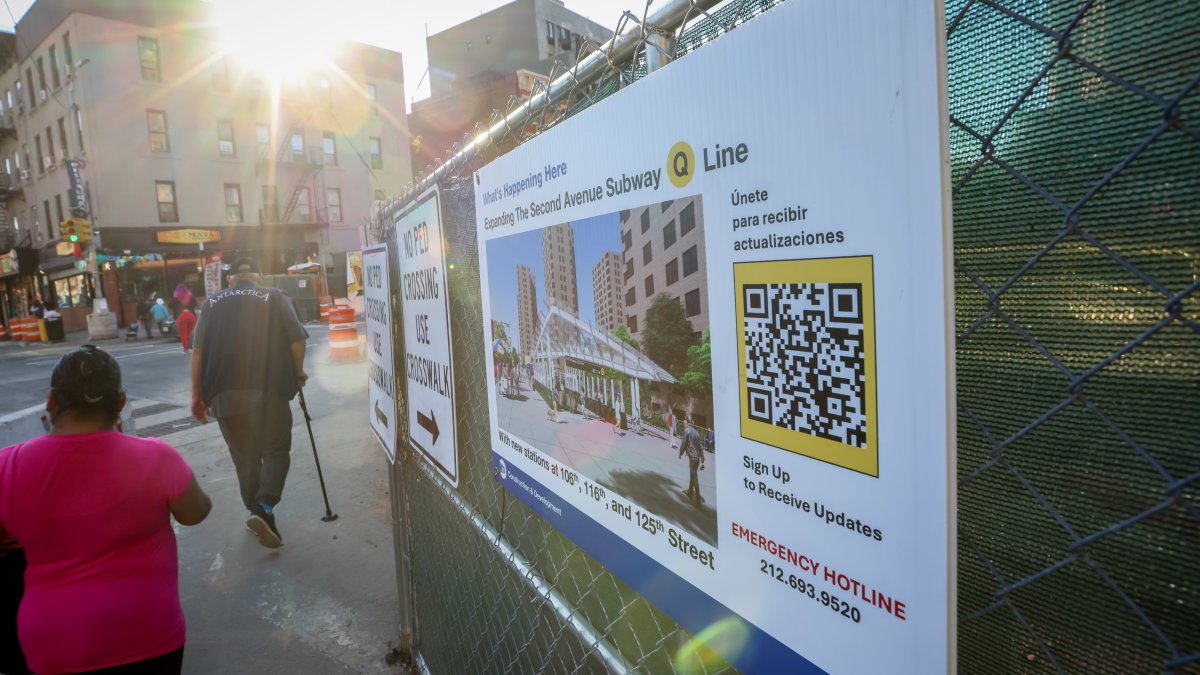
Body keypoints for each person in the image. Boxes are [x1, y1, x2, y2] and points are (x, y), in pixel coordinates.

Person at [0, 345, 211, 674]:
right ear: (121, 403)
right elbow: (195, 513)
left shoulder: (7, 466)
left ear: (51, 400)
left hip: (54, 645)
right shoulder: (157, 457)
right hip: (148, 634)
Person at [191, 257, 308, 548]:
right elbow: (297, 340)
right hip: (269, 388)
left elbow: (198, 352)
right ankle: (263, 507)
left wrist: (196, 395)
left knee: (244, 457)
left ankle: (256, 512)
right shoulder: (274, 296)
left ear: (229, 279)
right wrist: (298, 372)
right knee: (276, 450)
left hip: (223, 392)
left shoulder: (211, 304)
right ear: (260, 276)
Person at [679, 416, 705, 506]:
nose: (683, 423)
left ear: (687, 422)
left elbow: (683, 443)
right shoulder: (696, 432)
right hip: (697, 458)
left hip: (693, 458)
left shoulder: (687, 431)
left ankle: (698, 500)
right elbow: (700, 446)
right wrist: (702, 458)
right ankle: (690, 492)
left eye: (684, 421)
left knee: (695, 478)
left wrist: (680, 453)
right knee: (692, 475)